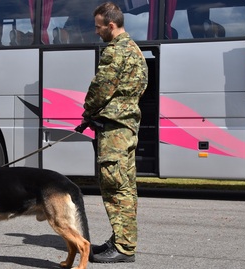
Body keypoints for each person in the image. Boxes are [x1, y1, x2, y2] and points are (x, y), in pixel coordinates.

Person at [76, 1, 148, 264]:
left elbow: (101, 88)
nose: (97, 32)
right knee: (126, 187)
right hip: (127, 127)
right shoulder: (135, 51)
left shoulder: (115, 51)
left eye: (98, 27)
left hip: (115, 131)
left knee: (115, 189)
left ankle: (123, 248)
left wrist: (87, 111)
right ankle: (121, 240)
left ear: (111, 25)